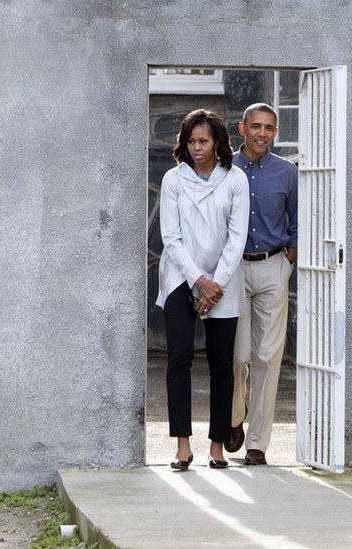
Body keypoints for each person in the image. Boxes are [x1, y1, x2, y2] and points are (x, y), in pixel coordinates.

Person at [156, 109, 249, 470]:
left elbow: (237, 237)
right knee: (178, 357)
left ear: (217, 143)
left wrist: (215, 284)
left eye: (204, 141)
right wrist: (198, 280)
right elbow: (171, 236)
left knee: (221, 364)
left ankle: (216, 446)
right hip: (182, 278)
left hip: (223, 282)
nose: (197, 147)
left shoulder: (235, 180)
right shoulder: (173, 179)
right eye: (191, 141)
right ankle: (182, 445)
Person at [225, 103, 298, 466]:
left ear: (275, 132)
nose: (262, 134)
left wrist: (288, 260)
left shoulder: (287, 172)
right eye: (256, 126)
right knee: (238, 357)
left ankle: (257, 443)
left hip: (272, 266)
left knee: (267, 357)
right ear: (242, 128)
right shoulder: (225, 169)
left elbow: (299, 219)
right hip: (233, 269)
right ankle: (235, 416)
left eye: (269, 128)